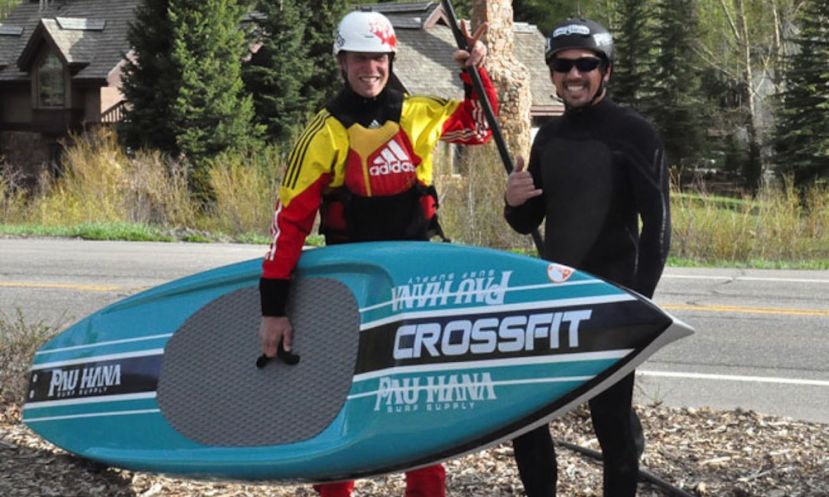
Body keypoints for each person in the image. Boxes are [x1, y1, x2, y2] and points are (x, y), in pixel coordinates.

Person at [258, 9, 497, 497]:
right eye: (360, 58)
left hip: (418, 281)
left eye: (379, 58)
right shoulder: (323, 132)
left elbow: (478, 129)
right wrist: (274, 309)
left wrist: (475, 73)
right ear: (342, 62)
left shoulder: (420, 113)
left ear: (391, 59)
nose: (371, 68)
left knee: (421, 403)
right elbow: (290, 224)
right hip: (350, 283)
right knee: (340, 398)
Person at [503, 18, 671, 497]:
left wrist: (638, 307)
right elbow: (526, 220)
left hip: (612, 299)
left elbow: (657, 230)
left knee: (611, 422)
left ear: (606, 71)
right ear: (551, 72)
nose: (573, 75)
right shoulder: (549, 138)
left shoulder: (635, 133)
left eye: (585, 64)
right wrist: (514, 201)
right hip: (553, 299)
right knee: (527, 414)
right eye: (562, 65)